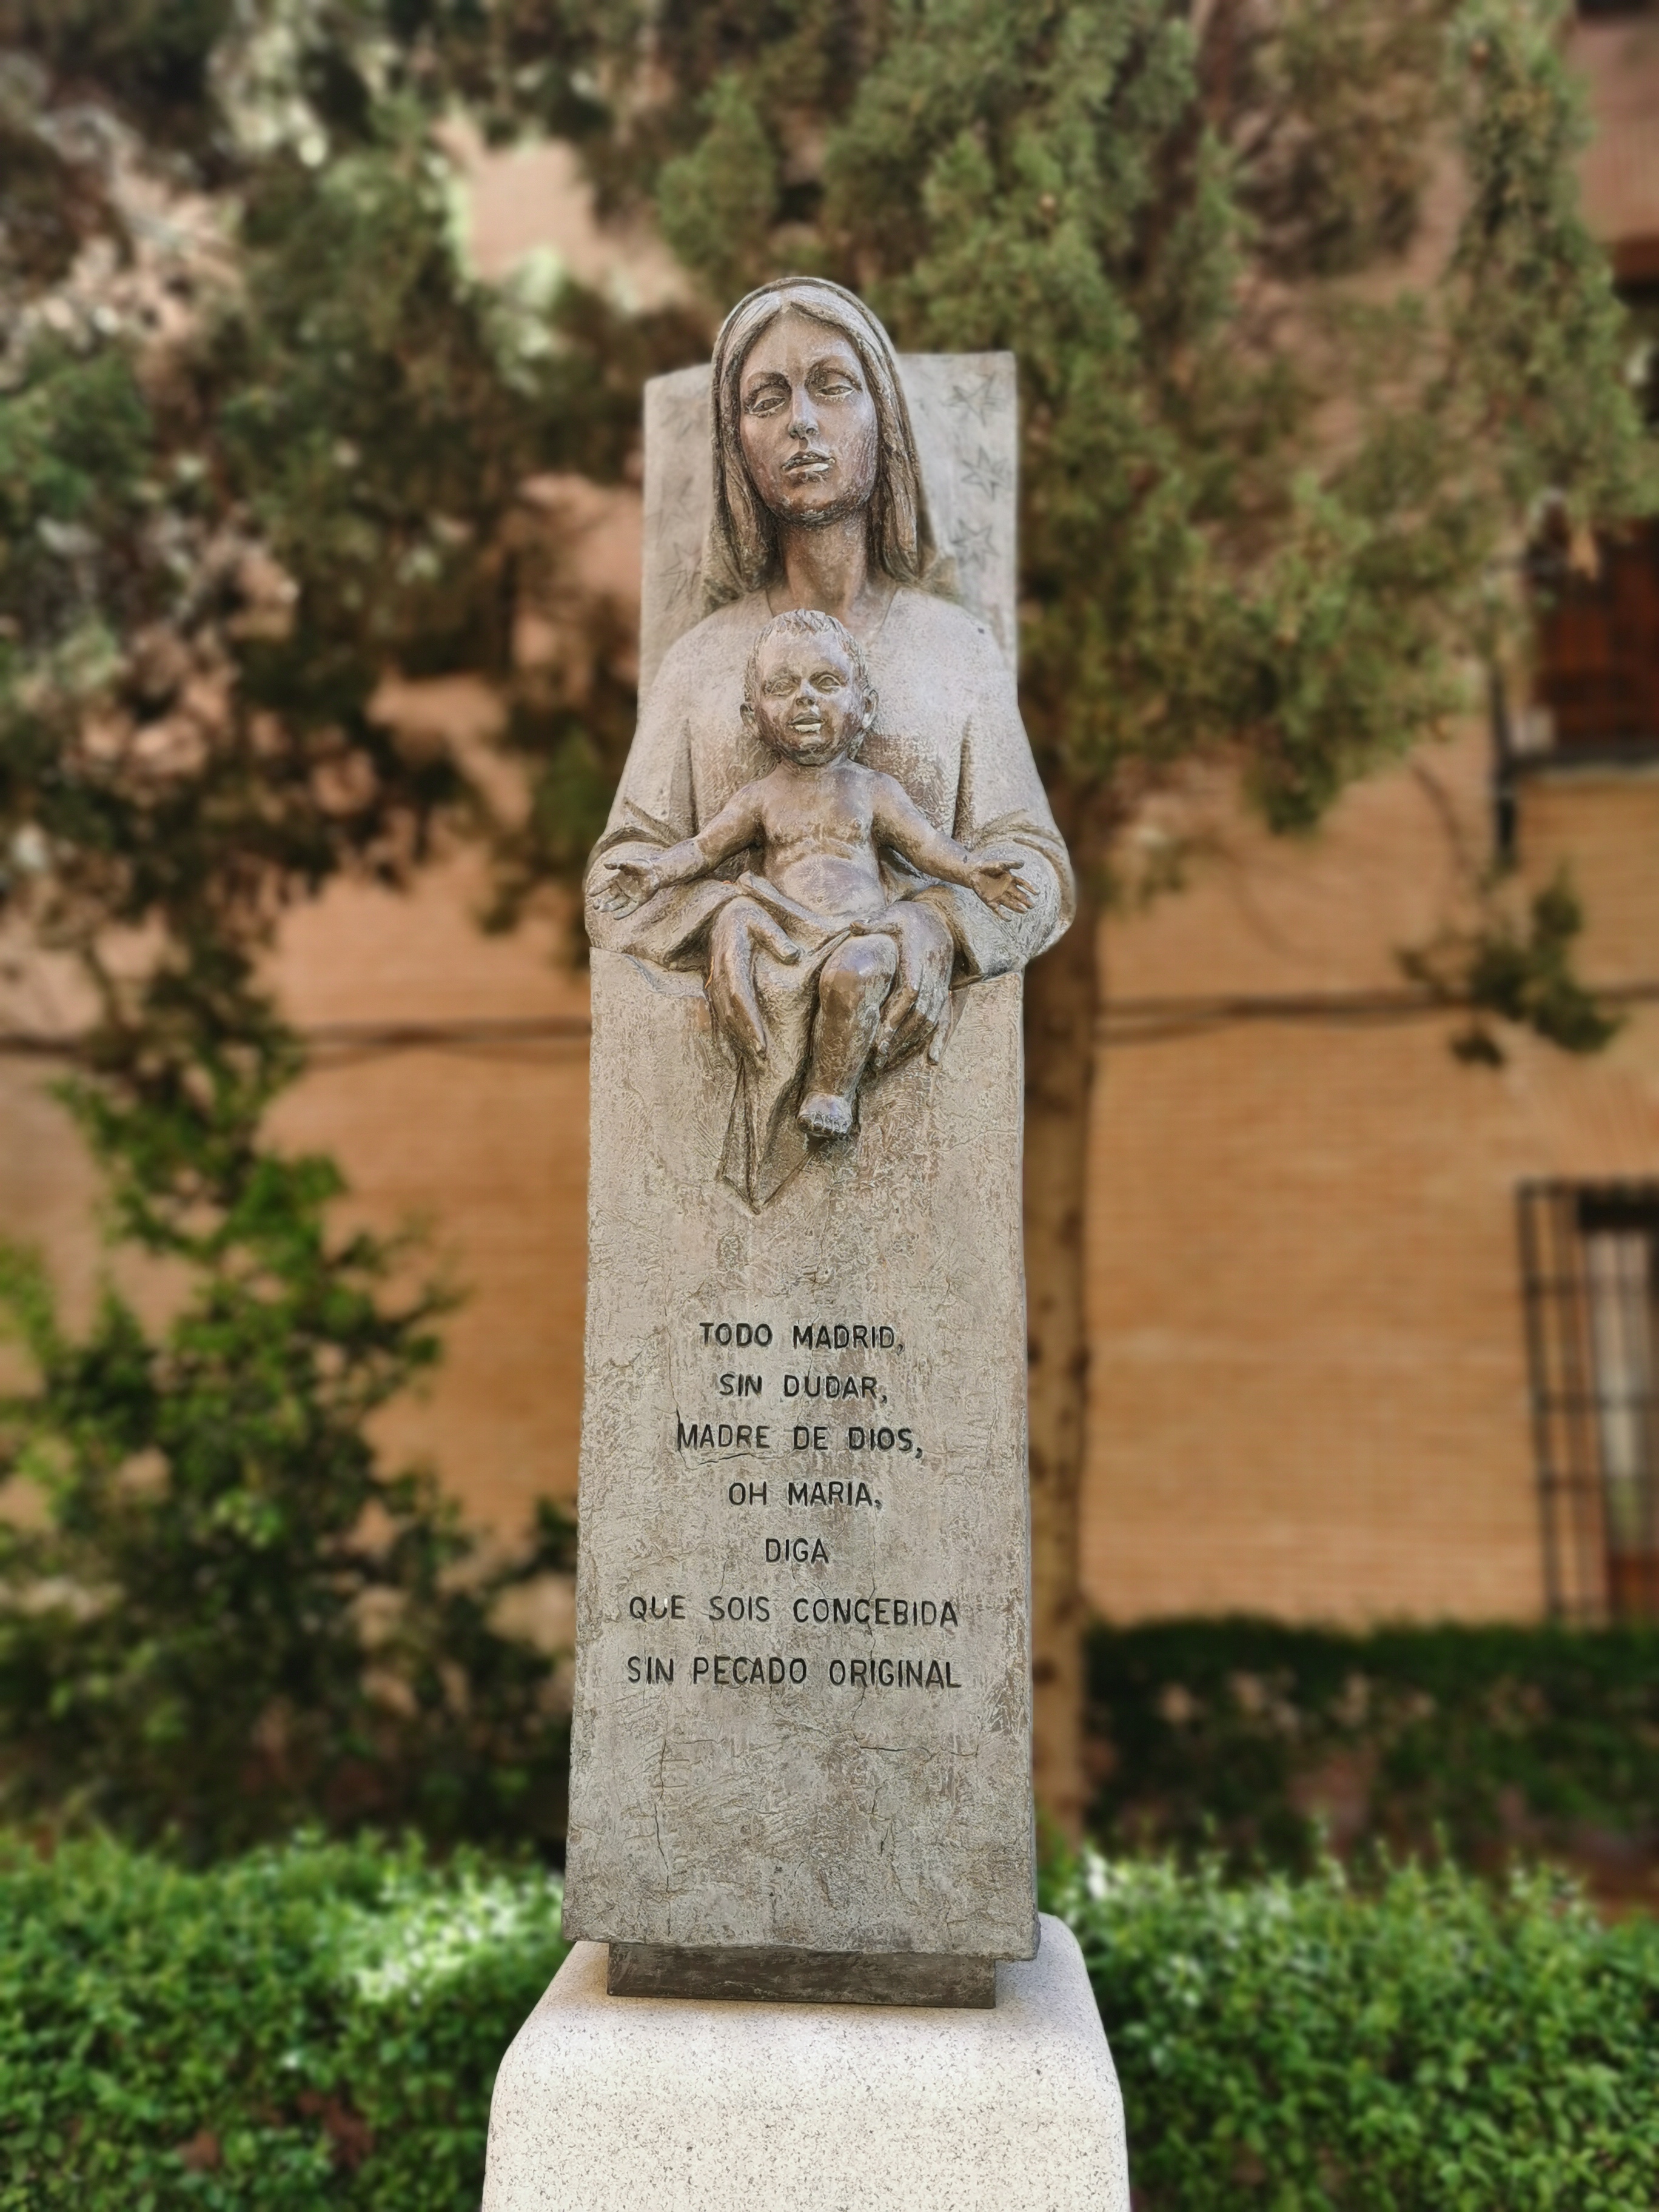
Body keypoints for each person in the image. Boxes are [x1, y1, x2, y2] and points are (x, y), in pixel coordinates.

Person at [586, 274, 1073, 1201]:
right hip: (725, 1132)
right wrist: (724, 915)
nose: (801, 422)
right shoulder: (699, 663)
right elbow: (616, 886)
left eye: (832, 386)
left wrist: (937, 921)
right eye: (767, 399)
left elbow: (1036, 872)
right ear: (736, 442)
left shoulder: (957, 650)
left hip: (928, 1156)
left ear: (885, 416)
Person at [595, 609, 1033, 1154]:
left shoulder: (874, 791)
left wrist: (971, 870)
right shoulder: (758, 798)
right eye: (783, 687)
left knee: (856, 974)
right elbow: (705, 849)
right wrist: (657, 872)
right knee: (768, 986)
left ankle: (831, 1091)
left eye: (826, 682)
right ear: (753, 717)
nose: (805, 699)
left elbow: (925, 846)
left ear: (865, 707)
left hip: (863, 931)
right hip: (788, 934)